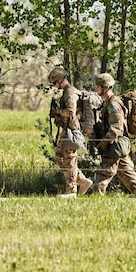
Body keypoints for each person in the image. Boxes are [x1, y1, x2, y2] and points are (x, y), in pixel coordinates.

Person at [90, 73, 136, 198]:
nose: (96, 89)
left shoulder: (113, 104)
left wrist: (104, 143)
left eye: (98, 86)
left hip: (114, 145)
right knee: (127, 173)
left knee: (103, 175)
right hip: (118, 145)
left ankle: (95, 199)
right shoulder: (108, 102)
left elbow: (117, 127)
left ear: (105, 87)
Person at [48, 67, 92, 197]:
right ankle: (82, 180)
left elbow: (71, 112)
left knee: (69, 159)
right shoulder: (66, 92)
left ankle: (71, 189)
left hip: (72, 131)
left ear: (61, 80)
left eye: (55, 83)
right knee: (59, 157)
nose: (54, 86)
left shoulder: (70, 93)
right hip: (67, 130)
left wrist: (57, 112)